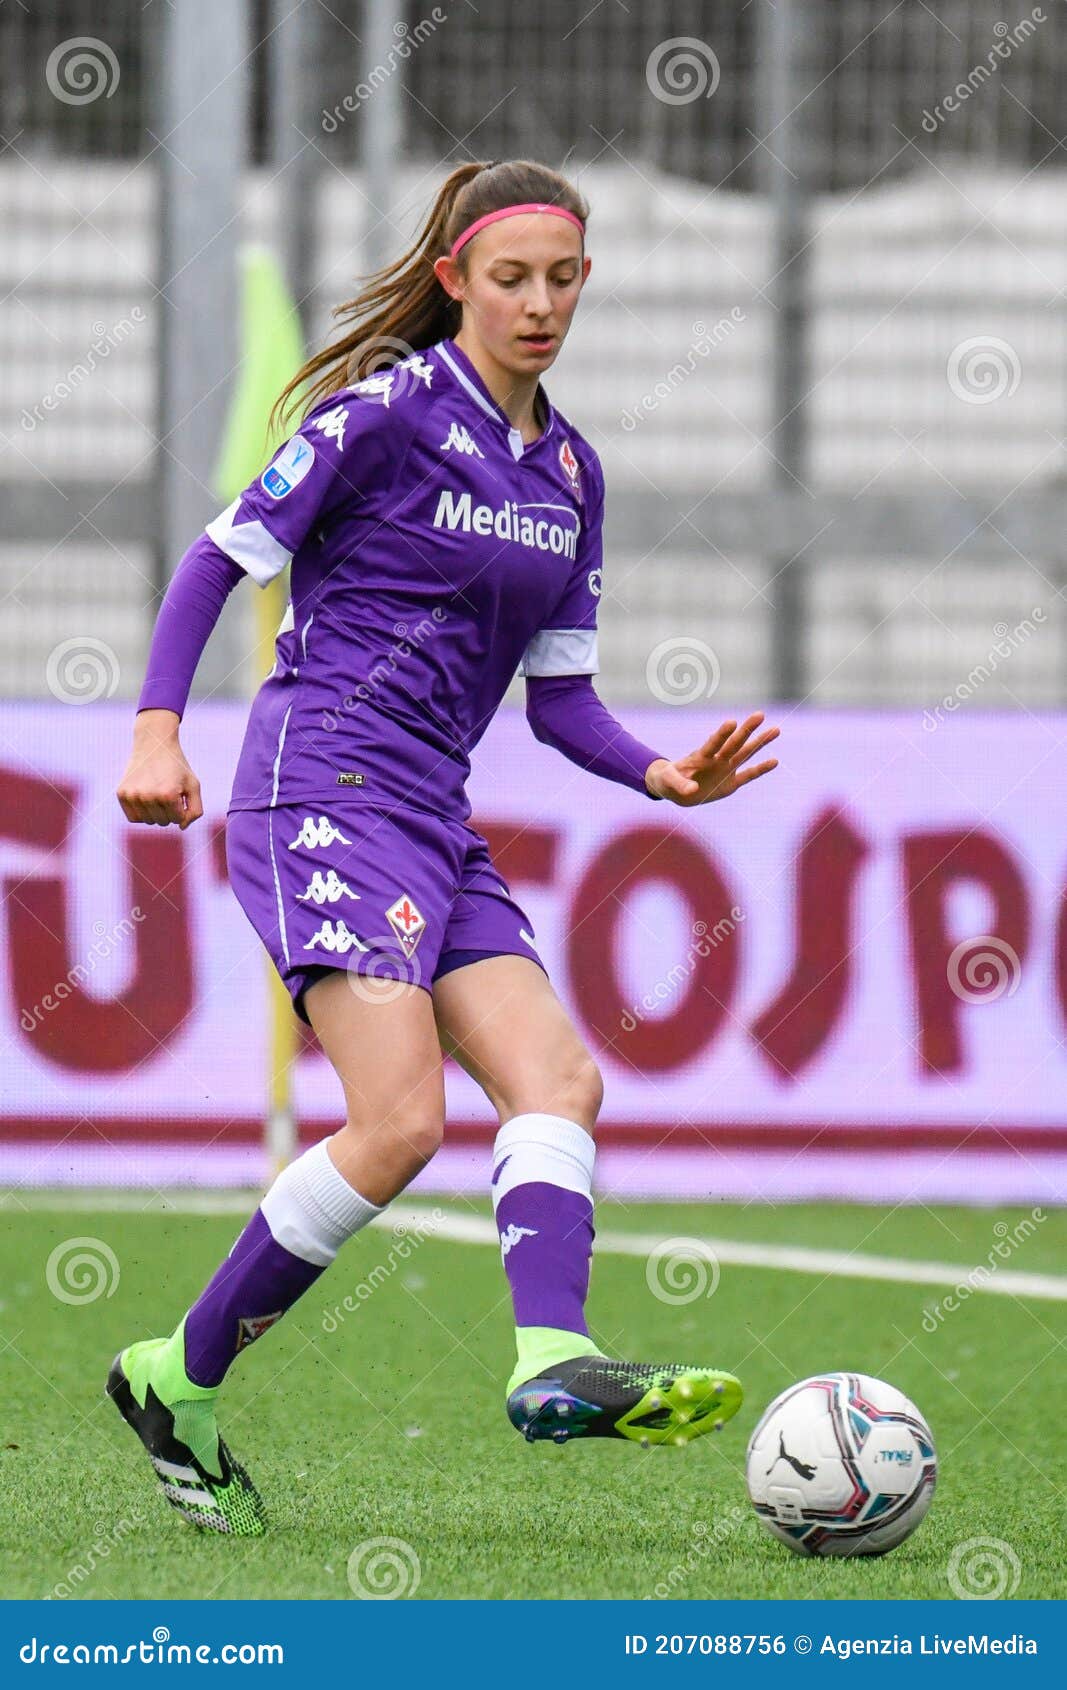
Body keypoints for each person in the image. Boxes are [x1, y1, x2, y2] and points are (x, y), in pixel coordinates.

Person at [109, 158, 781, 1537]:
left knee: (560, 1077)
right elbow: (214, 560)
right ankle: (181, 1371)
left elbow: (562, 696)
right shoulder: (386, 415)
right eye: (513, 278)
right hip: (318, 787)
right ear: (456, 282)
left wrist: (656, 768)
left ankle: (547, 1365)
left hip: (433, 811)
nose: (541, 304)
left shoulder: (573, 474)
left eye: (564, 278)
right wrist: (156, 734)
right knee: (404, 1116)